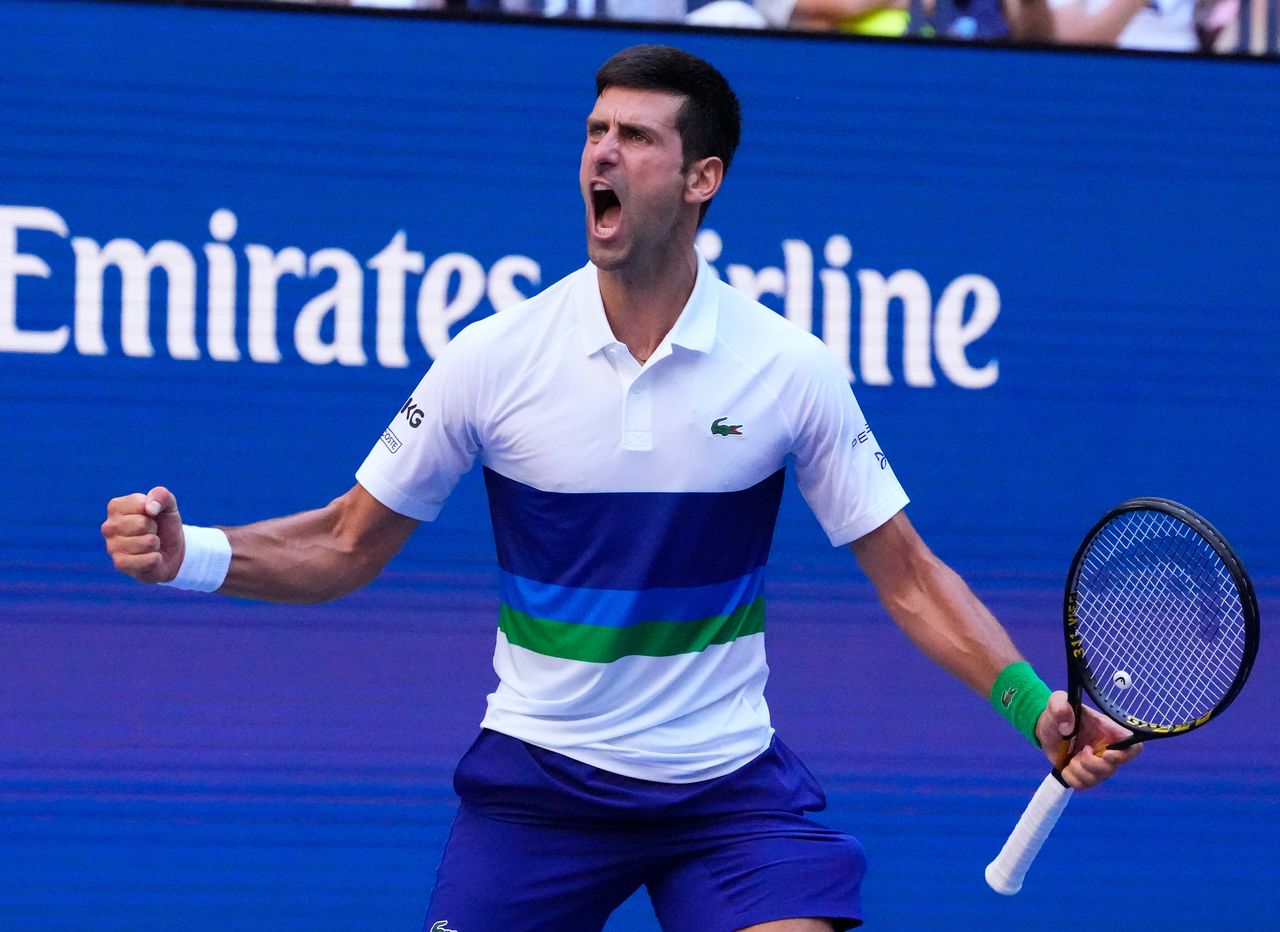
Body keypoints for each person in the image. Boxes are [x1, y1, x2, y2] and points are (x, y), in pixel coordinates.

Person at [102, 45, 1140, 932]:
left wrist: (1028, 705)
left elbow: (909, 575)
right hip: (539, 784)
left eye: (636, 138)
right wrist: (188, 554)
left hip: (727, 789)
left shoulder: (787, 367)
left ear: (702, 178)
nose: (602, 151)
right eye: (595, 131)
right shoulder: (494, 355)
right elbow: (344, 540)